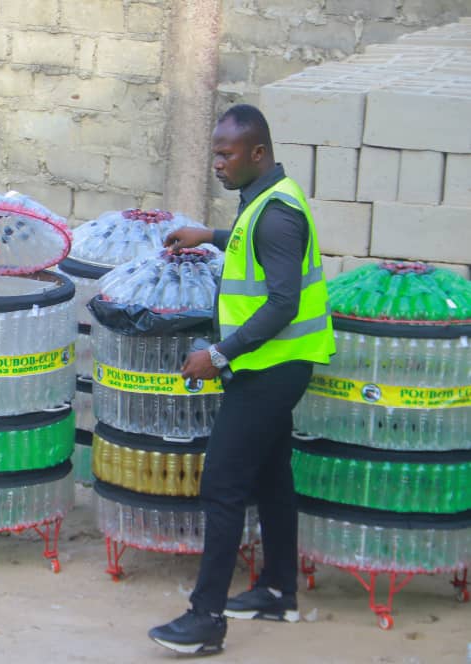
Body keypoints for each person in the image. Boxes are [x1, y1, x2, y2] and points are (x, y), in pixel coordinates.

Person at [148, 104, 335, 654]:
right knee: (272, 476)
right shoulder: (266, 203)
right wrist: (211, 233)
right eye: (215, 153)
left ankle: (206, 618)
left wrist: (220, 355)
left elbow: (281, 303)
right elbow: (258, 247)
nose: (218, 164)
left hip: (268, 369)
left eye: (226, 154)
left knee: (224, 485)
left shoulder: (277, 213)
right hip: (274, 366)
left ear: (258, 153)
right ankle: (277, 590)